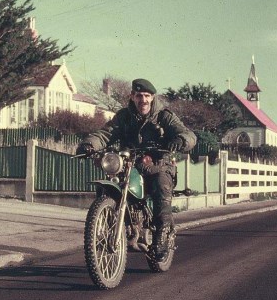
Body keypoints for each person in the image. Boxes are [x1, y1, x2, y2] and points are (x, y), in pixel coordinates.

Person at [76, 78, 196, 262]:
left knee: (161, 187)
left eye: (147, 96)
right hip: (130, 164)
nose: (143, 100)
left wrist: (180, 140)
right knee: (108, 186)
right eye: (139, 96)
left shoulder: (164, 116)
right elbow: (105, 134)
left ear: (153, 97)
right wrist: (89, 145)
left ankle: (161, 238)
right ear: (132, 96)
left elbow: (188, 134)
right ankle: (110, 227)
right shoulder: (124, 116)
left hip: (159, 164)